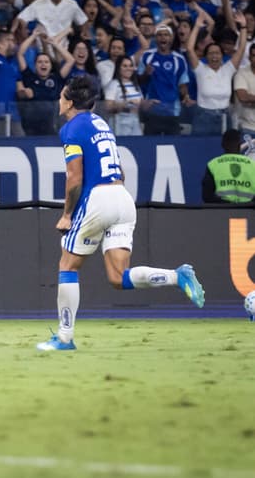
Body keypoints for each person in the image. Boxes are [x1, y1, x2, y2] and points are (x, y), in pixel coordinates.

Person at [37, 76, 205, 351]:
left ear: (68, 101)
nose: (58, 101)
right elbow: (119, 169)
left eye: (60, 96)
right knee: (118, 277)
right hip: (122, 198)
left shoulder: (70, 129)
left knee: (67, 266)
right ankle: (177, 276)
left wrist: (67, 214)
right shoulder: (101, 124)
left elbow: (74, 178)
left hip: (98, 198)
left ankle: (65, 338)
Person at [185, 10, 247, 136]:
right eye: (211, 53)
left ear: (222, 56)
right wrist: (197, 26)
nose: (214, 56)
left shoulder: (228, 69)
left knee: (225, 151)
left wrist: (244, 27)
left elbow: (241, 49)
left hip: (225, 116)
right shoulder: (200, 69)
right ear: (206, 56)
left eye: (217, 53)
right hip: (203, 117)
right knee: (199, 150)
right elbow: (190, 49)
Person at [202, 129, 255, 204]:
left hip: (222, 212)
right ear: (239, 144)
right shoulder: (252, 165)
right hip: (249, 212)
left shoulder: (213, 165)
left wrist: (226, 204)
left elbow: (207, 196)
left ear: (222, 144)